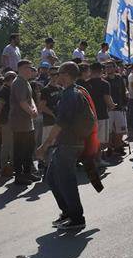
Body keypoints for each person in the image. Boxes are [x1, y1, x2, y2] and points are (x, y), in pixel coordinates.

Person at [36, 62, 93, 231]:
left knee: (66, 180)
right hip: (68, 142)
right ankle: (68, 212)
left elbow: (61, 123)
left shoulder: (70, 94)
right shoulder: (71, 92)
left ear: (66, 75)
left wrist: (44, 146)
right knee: (52, 178)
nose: (55, 76)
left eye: (58, 73)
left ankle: (76, 218)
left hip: (70, 143)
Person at [9, 60, 39, 185]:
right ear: (21, 69)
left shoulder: (26, 82)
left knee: (28, 148)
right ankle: (19, 176)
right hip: (19, 122)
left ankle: (27, 172)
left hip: (27, 121)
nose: (30, 70)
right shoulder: (18, 82)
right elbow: (22, 102)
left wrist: (34, 108)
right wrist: (31, 112)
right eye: (28, 68)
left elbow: (30, 98)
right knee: (20, 150)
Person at [85, 63, 113, 164]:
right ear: (101, 70)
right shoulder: (105, 83)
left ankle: (91, 159)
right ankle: (98, 159)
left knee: (91, 138)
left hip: (88, 115)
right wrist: (112, 106)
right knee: (101, 139)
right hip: (101, 114)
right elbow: (107, 99)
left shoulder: (85, 83)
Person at [105, 62, 128, 155]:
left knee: (121, 129)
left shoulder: (119, 78)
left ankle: (118, 146)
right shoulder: (104, 80)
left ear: (115, 68)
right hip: (108, 109)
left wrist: (125, 102)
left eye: (110, 67)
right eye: (106, 67)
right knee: (109, 130)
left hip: (119, 107)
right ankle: (110, 148)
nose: (108, 69)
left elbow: (123, 90)